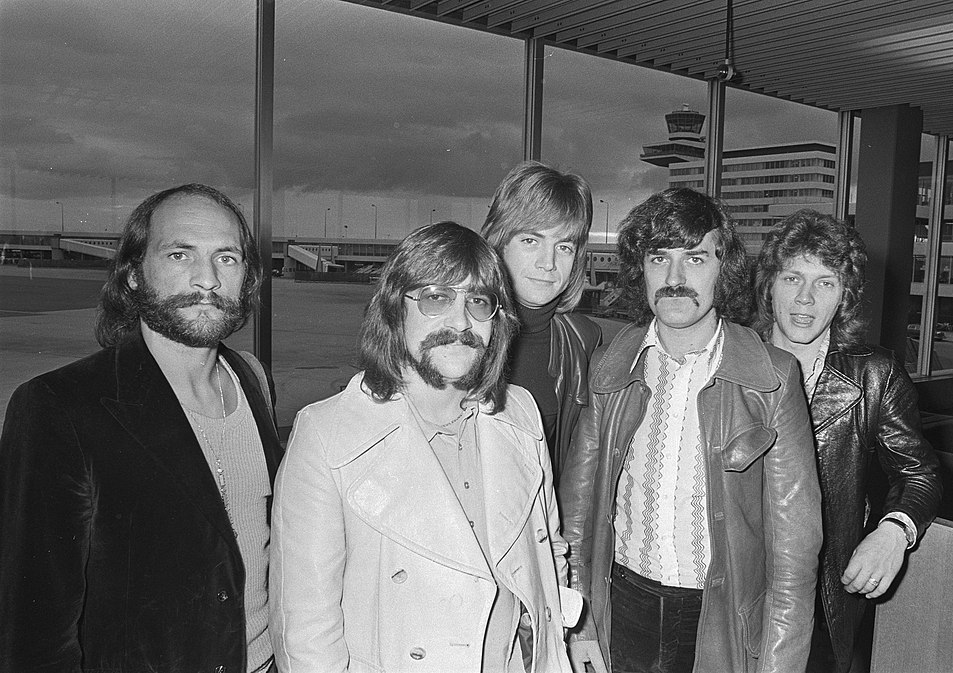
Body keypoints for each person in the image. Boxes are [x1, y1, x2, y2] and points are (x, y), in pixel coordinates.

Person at [269, 221, 578, 673]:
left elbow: (548, 549)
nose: (460, 322)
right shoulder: (326, 434)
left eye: (478, 302)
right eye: (436, 298)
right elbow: (306, 630)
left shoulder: (520, 414)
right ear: (396, 312)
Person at [0, 184, 283, 672]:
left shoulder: (253, 379)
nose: (207, 279)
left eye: (227, 259)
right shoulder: (58, 407)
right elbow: (33, 629)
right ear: (133, 275)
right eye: (180, 254)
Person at [561, 187, 822, 673]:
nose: (675, 278)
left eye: (697, 258)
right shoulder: (612, 365)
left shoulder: (772, 377)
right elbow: (576, 521)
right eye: (660, 258)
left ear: (725, 268)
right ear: (641, 268)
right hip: (622, 607)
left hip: (718, 618)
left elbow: (793, 556)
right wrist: (575, 626)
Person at [752, 210, 942, 673]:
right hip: (730, 580)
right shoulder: (729, 358)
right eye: (793, 277)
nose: (804, 298)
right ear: (769, 286)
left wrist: (894, 531)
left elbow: (920, 473)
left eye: (825, 283)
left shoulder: (874, 374)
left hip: (820, 594)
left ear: (844, 298)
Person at [481, 161, 602, 485]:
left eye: (563, 247)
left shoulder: (582, 343)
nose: (548, 263)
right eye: (531, 241)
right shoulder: (460, 334)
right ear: (498, 241)